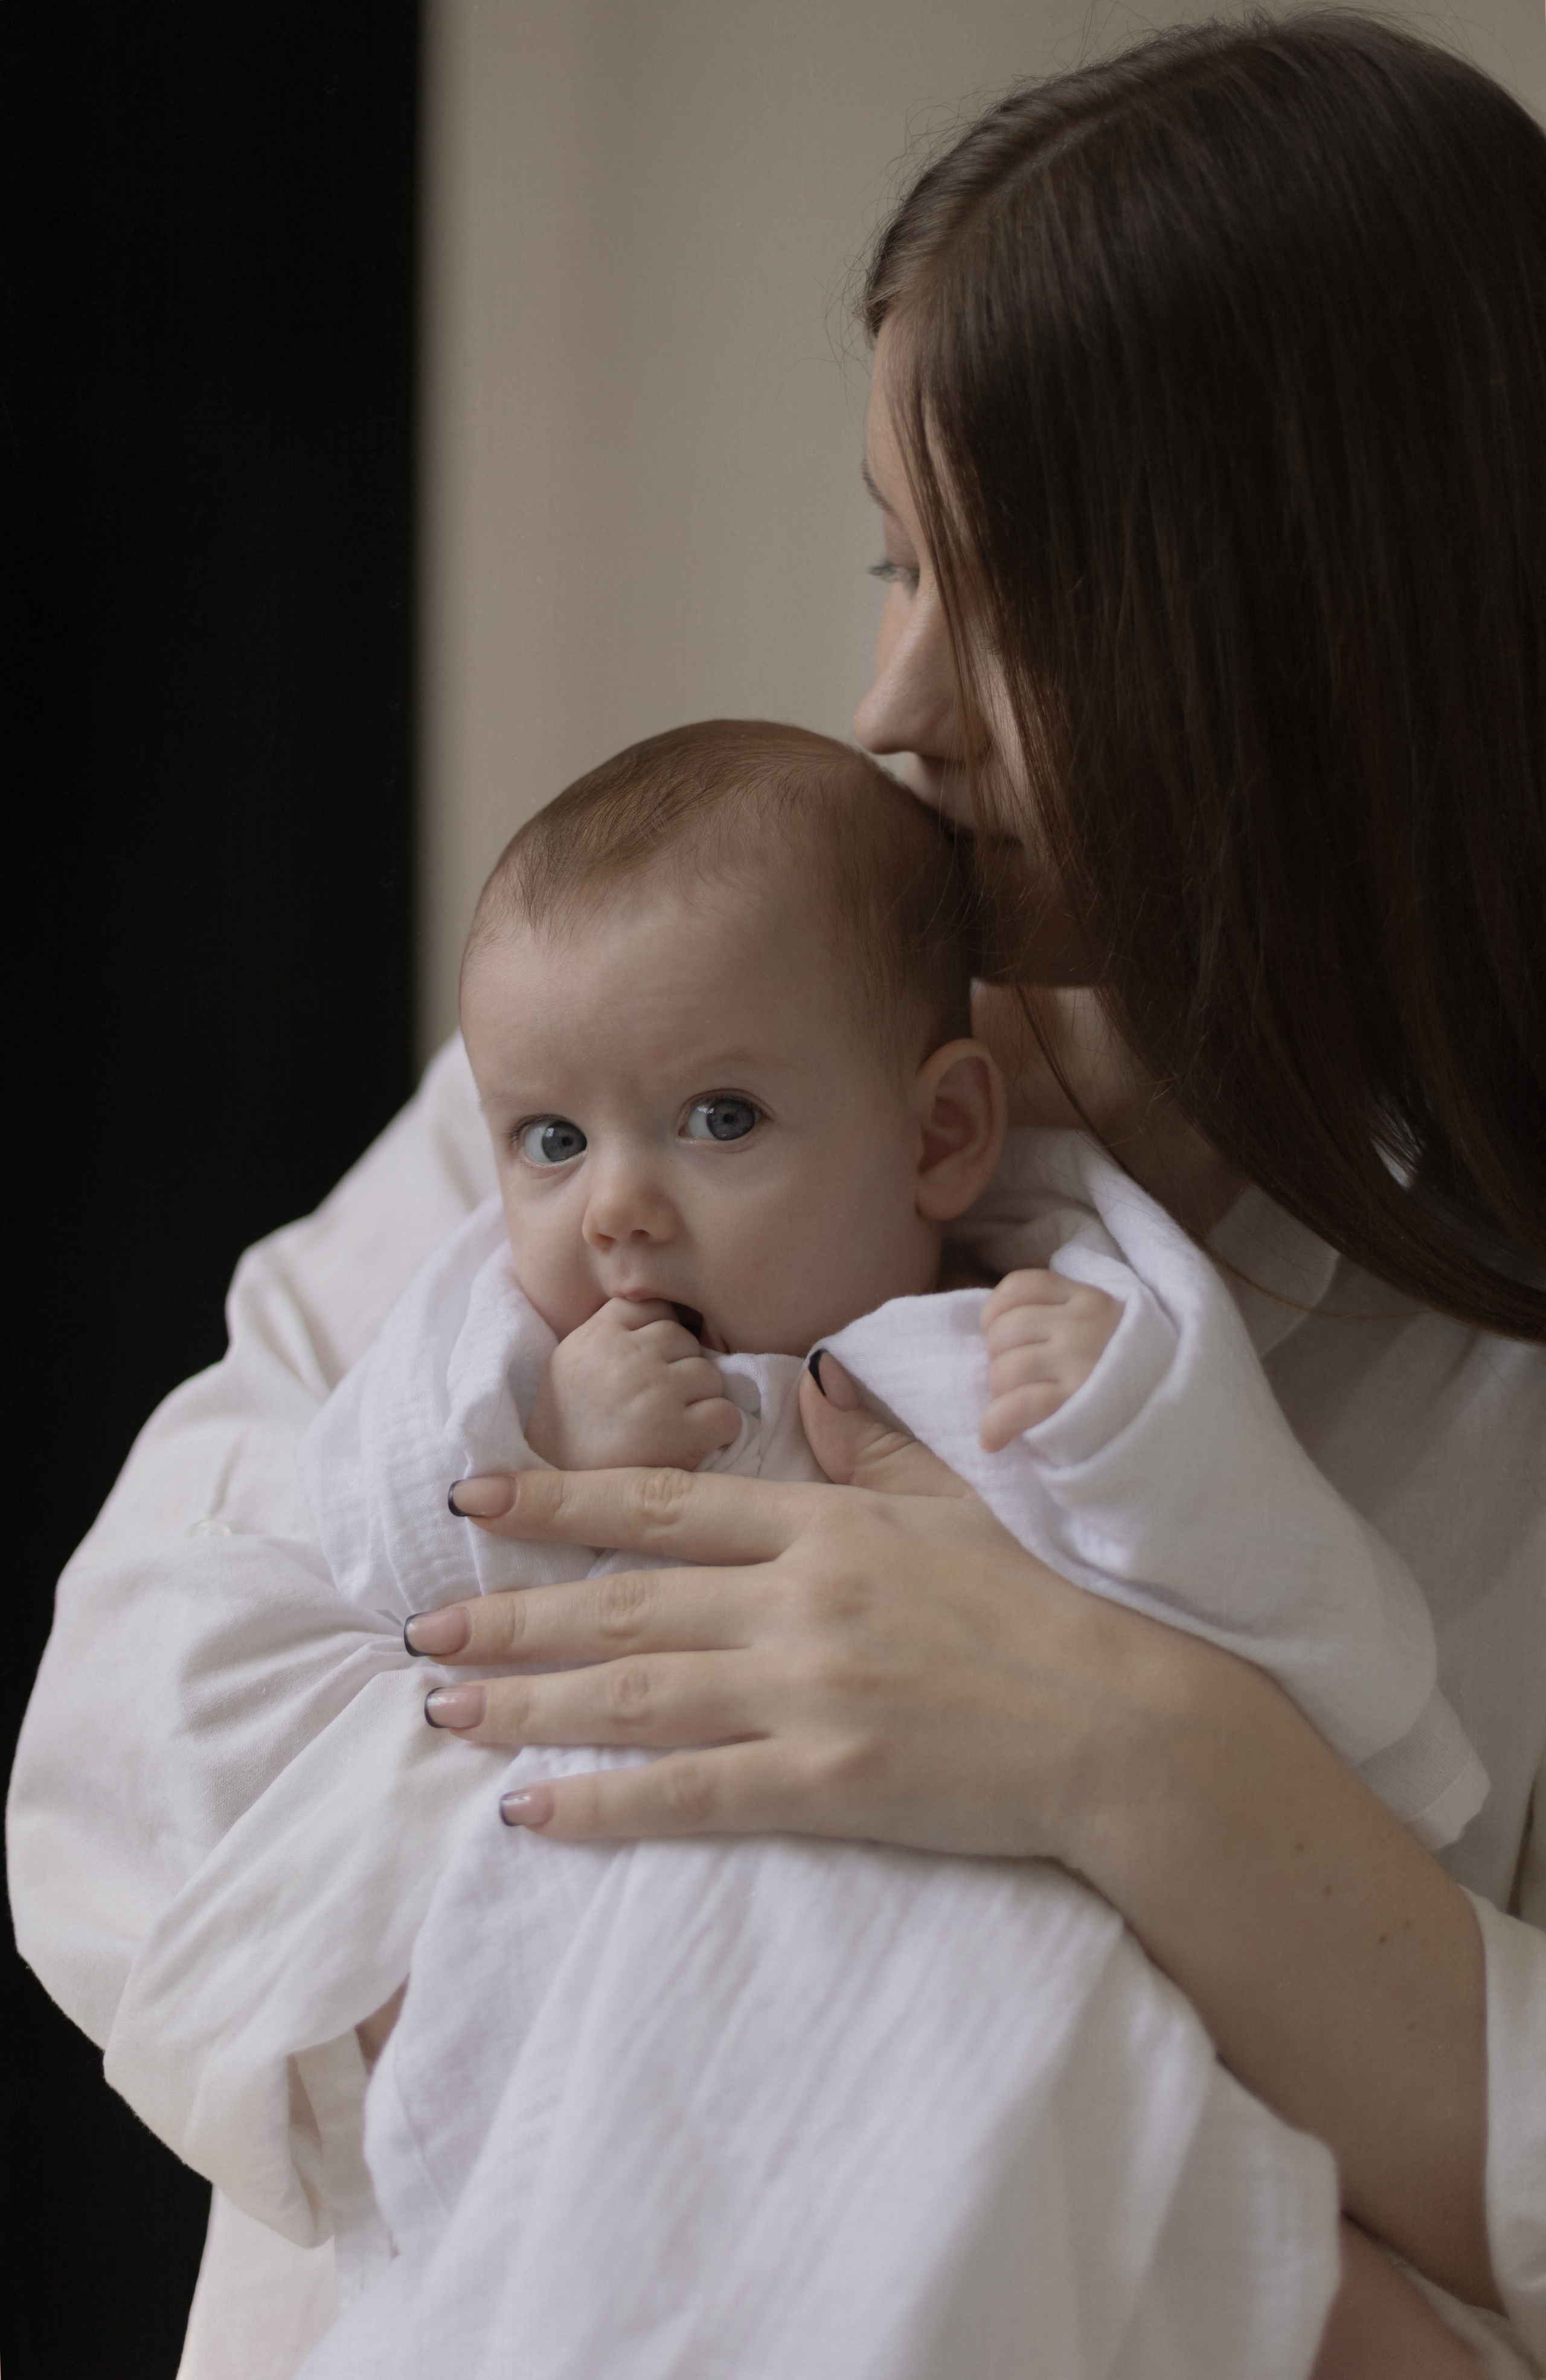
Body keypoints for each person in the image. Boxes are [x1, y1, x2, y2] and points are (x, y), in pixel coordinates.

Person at [8, 12, 1546, 2376]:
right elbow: (132, 1716)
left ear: (1312, 631)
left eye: (1014, 598)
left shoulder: (1482, 1361)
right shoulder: (668, 1063)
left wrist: (1117, 1745)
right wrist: (736, 2052)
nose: (894, 708)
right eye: (891, 558)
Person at [290, 717, 1481, 2376]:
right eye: (549, 1143)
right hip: (647, 1980)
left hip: (997, 1984)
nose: (614, 1206)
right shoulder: (500, 1332)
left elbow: (1324, 1644)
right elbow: (362, 1558)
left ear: (939, 1137)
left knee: (1196, 2222)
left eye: (718, 1119)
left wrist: (1126, 1436)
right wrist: (543, 1450)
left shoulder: (1044, 1329)